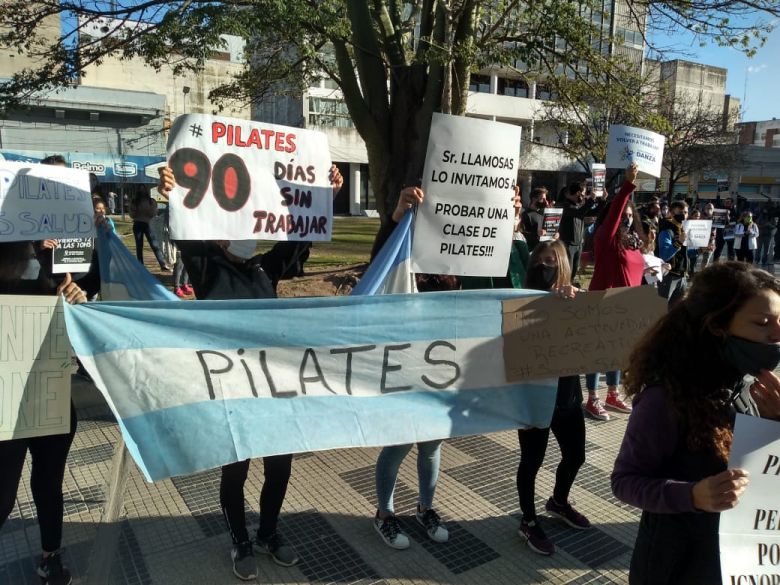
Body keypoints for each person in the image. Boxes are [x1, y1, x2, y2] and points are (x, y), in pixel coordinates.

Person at [158, 163, 343, 580]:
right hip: (230, 389)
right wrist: (171, 192)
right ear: (219, 232)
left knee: (280, 465)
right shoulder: (206, 268)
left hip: (272, 389)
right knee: (236, 469)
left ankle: (269, 532)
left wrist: (324, 197)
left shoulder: (265, 269)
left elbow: (298, 239)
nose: (245, 233)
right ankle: (240, 539)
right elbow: (185, 231)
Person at [611, 262, 780, 584]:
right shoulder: (666, 398)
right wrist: (693, 495)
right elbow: (625, 481)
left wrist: (774, 424)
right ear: (717, 326)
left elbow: (756, 468)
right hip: (678, 564)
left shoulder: (747, 383)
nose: (778, 334)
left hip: (738, 558)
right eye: (763, 323)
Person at [0, 242, 87, 585]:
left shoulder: (58, 262)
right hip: (7, 396)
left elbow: (79, 328)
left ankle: (51, 555)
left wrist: (78, 302)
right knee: (3, 495)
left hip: (50, 391)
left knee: (49, 483)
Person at [372, 186, 454, 550]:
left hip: (444, 365)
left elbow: (504, 282)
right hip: (404, 365)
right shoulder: (403, 258)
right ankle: (385, 514)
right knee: (399, 442)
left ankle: (425, 507)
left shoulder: (458, 268)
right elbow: (381, 263)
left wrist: (510, 225)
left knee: (431, 444)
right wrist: (395, 217)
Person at [516, 240, 590, 555]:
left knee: (576, 455)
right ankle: (529, 521)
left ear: (563, 266)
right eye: (540, 262)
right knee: (532, 460)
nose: (545, 267)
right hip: (532, 394)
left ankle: (558, 502)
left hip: (568, 393)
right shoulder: (519, 299)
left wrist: (579, 304)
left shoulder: (575, 297)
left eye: (552, 261)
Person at [584, 164, 644, 420]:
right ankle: (591, 398)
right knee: (597, 351)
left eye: (631, 215)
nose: (627, 218)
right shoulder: (604, 237)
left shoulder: (632, 243)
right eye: (623, 215)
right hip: (602, 302)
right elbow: (617, 208)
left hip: (626, 306)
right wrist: (627, 186)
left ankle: (612, 393)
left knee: (617, 352)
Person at [557, 181, 603, 285]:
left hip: (578, 244)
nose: (583, 197)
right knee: (567, 271)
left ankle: (571, 286)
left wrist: (602, 200)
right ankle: (564, 287)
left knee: (574, 271)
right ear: (577, 193)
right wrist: (591, 200)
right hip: (568, 243)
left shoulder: (578, 206)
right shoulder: (565, 205)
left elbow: (593, 212)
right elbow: (579, 213)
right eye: (582, 194)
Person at [657, 200, 690, 306]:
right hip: (669, 276)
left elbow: (685, 253)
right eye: (680, 212)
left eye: (685, 212)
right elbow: (664, 255)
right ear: (671, 213)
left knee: (677, 310)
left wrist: (701, 250)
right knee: (662, 308)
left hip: (682, 276)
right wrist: (679, 242)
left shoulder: (684, 230)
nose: (683, 215)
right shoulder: (667, 230)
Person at [129, 187, 170, 272]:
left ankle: (162, 264)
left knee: (154, 245)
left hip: (148, 224)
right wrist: (136, 211)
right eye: (140, 189)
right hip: (138, 224)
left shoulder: (151, 201)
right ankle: (140, 265)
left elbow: (154, 213)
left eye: (143, 189)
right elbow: (132, 214)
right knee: (139, 246)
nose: (142, 191)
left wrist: (149, 211)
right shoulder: (135, 201)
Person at [521, 187, 550, 251]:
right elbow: (522, 234)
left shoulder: (543, 214)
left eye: (545, 199)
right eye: (542, 199)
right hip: (531, 250)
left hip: (543, 249)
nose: (546, 202)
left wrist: (554, 234)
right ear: (534, 199)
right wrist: (536, 234)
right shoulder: (526, 215)